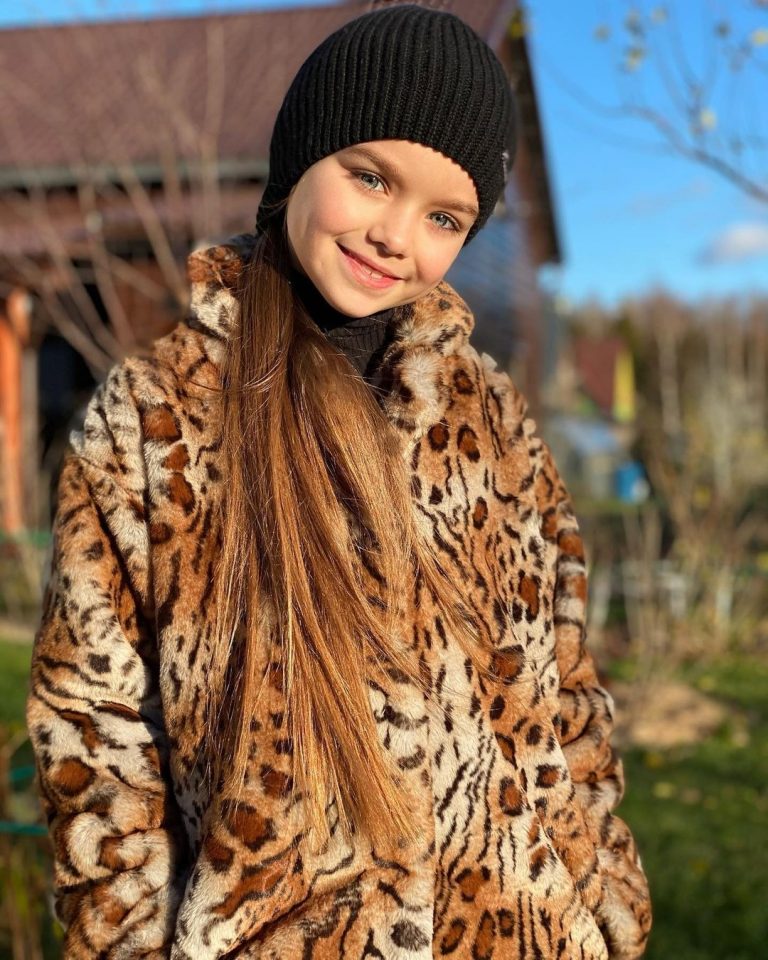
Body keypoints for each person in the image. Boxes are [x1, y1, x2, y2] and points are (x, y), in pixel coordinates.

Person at [25, 4, 651, 958]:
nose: (397, 235)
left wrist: (602, 896)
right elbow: (95, 727)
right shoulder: (156, 421)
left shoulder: (493, 420)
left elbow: (562, 678)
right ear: (301, 159)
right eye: (371, 177)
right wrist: (131, 938)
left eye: (444, 218)